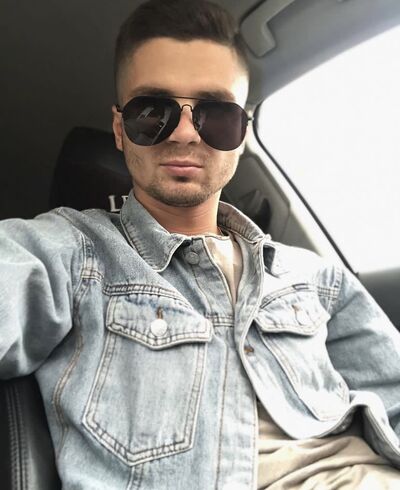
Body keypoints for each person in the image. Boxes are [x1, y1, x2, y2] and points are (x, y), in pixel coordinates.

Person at [1, 0, 400, 488]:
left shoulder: (316, 278)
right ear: (121, 130)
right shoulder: (66, 253)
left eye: (216, 113)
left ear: (242, 132)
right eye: (153, 112)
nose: (185, 134)